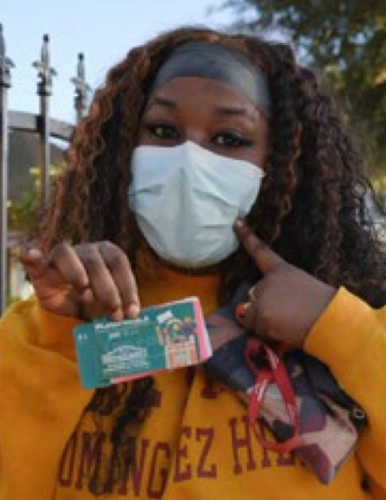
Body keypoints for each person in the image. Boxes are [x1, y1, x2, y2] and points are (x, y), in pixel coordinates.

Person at [0, 25, 385, 500]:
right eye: (163, 131)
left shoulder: (357, 324)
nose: (189, 160)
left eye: (228, 138)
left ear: (284, 162)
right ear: (125, 149)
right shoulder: (47, 328)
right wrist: (63, 341)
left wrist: (339, 329)